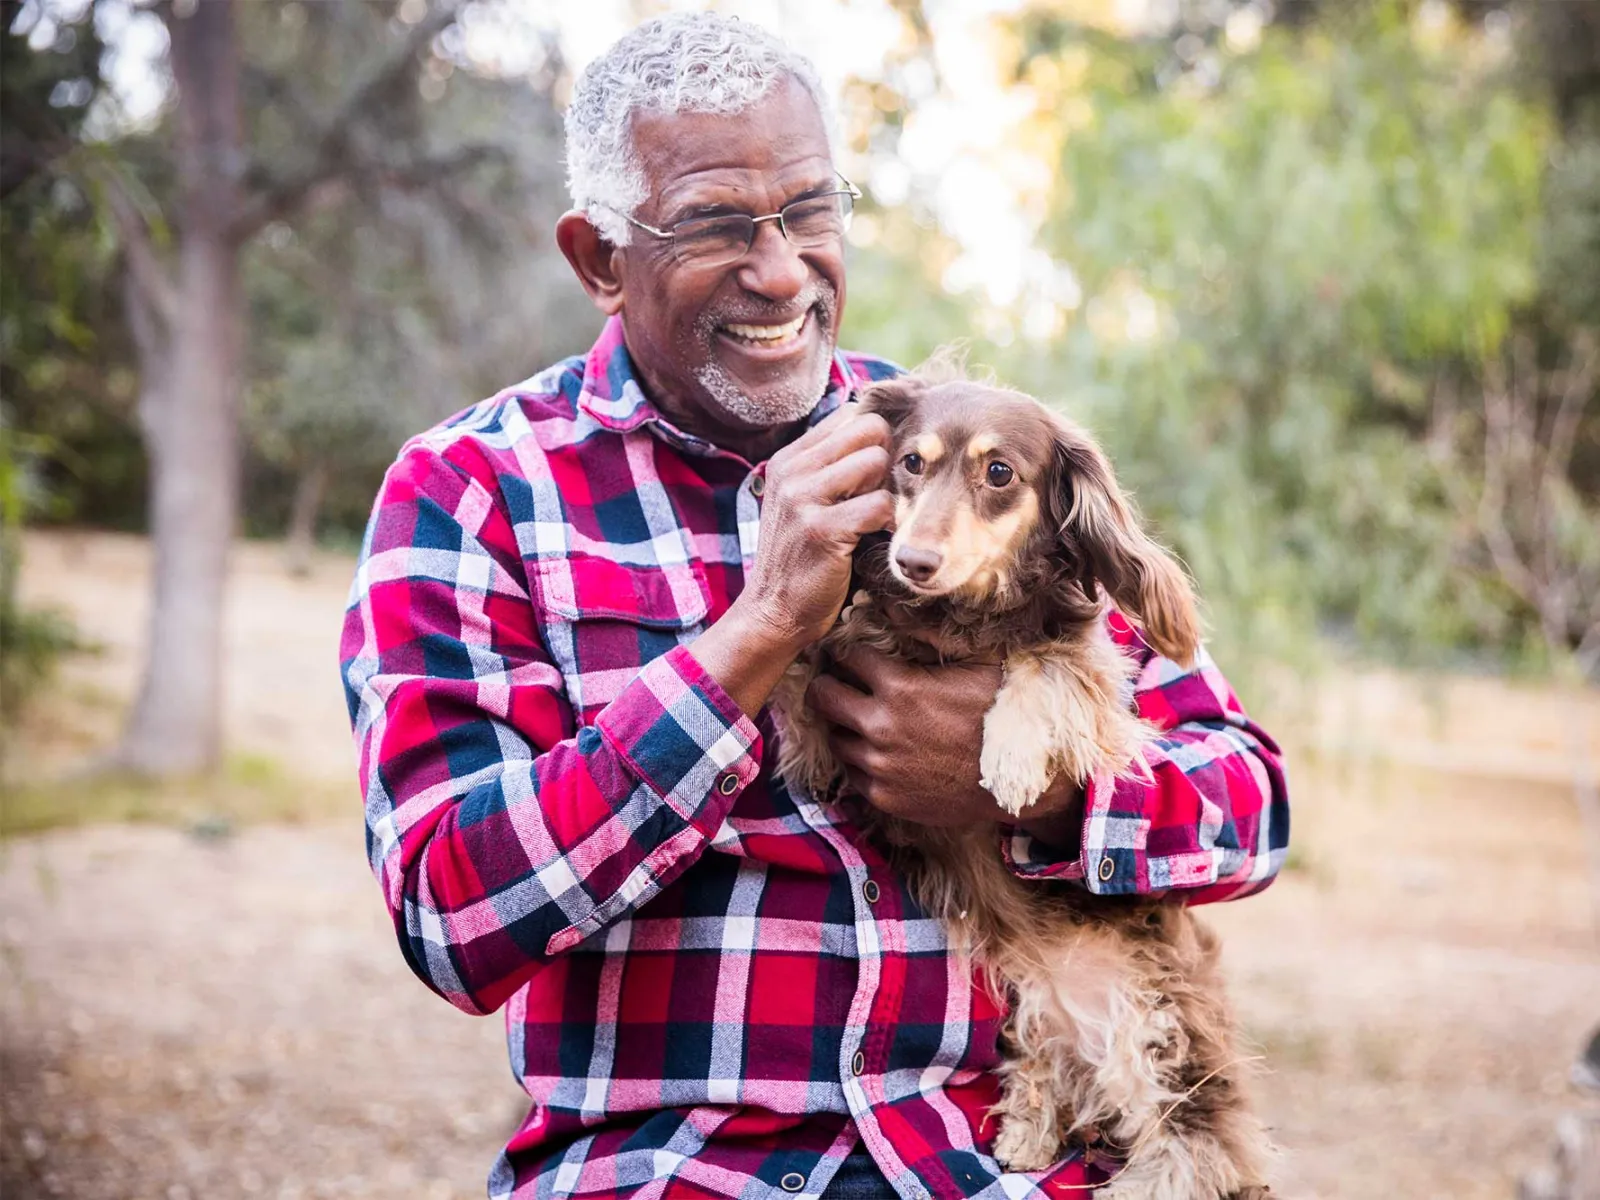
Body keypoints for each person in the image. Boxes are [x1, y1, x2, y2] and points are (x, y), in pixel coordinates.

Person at [339, 13, 1289, 1200]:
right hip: (679, 1169)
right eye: (714, 225)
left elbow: (1254, 805)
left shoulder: (959, 451)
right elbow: (452, 915)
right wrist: (755, 634)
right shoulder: (472, 492)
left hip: (1006, 1159)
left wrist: (1049, 798)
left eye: (808, 211)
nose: (781, 269)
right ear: (597, 259)